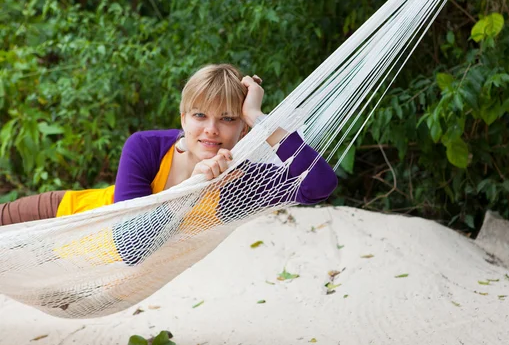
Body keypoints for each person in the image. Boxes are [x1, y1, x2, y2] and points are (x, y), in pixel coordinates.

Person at [0, 64, 338, 265]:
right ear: (183, 117)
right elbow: (125, 235)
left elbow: (319, 184)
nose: (211, 129)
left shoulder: (241, 183)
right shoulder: (146, 147)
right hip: (63, 218)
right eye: (200, 115)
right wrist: (192, 183)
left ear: (242, 128)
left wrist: (258, 116)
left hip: (85, 274)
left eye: (229, 118)